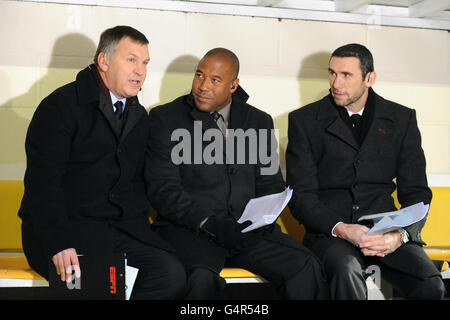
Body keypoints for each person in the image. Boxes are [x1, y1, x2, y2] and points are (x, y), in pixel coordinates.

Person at [18, 25, 186, 300]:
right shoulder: (59, 106)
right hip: (59, 232)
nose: (140, 71)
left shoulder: (140, 117)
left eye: (144, 63)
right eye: (131, 59)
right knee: (96, 285)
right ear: (103, 61)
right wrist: (59, 243)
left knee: (171, 274)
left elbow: (135, 187)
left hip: (112, 231)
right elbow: (43, 184)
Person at [145, 47, 327, 300]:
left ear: (233, 85)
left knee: (305, 266)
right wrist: (209, 223)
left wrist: (258, 221)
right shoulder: (165, 118)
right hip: (191, 232)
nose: (203, 86)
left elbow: (271, 184)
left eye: (215, 80)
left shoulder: (259, 121)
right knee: (199, 279)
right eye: (199, 75)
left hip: (248, 234)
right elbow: (163, 189)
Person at [286, 43, 446, 300]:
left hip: (385, 233)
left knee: (430, 286)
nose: (336, 83)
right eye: (332, 73)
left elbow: (416, 193)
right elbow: (301, 197)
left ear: (369, 78)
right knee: (347, 271)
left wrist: (400, 235)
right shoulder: (304, 121)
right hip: (331, 235)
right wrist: (341, 228)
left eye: (346, 75)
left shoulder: (401, 119)